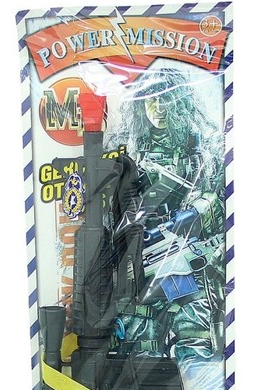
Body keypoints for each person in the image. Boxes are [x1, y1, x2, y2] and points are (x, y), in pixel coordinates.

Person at [105, 68, 225, 364]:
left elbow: (223, 201)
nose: (158, 108)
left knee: (195, 347)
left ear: (180, 102)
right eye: (151, 100)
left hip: (187, 263)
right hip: (140, 264)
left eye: (166, 99)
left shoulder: (202, 148)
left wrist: (198, 212)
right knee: (138, 349)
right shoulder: (125, 148)